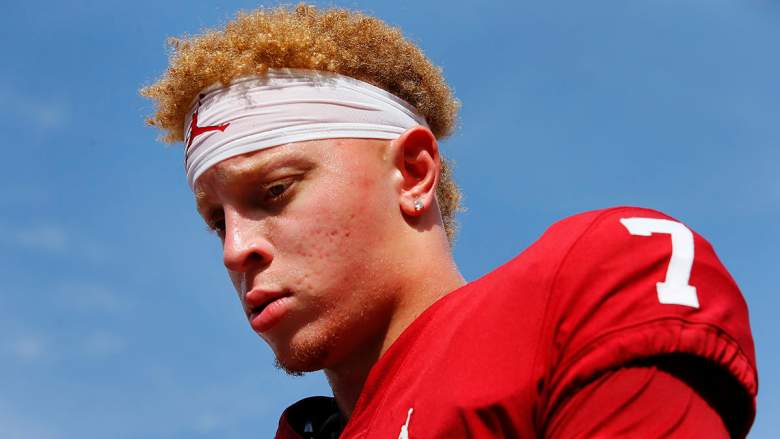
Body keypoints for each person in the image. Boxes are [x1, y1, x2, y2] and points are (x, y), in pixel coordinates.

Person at [141, 4, 757, 438]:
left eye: (274, 192)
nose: (236, 251)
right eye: (217, 222)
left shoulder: (589, 284)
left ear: (412, 173)